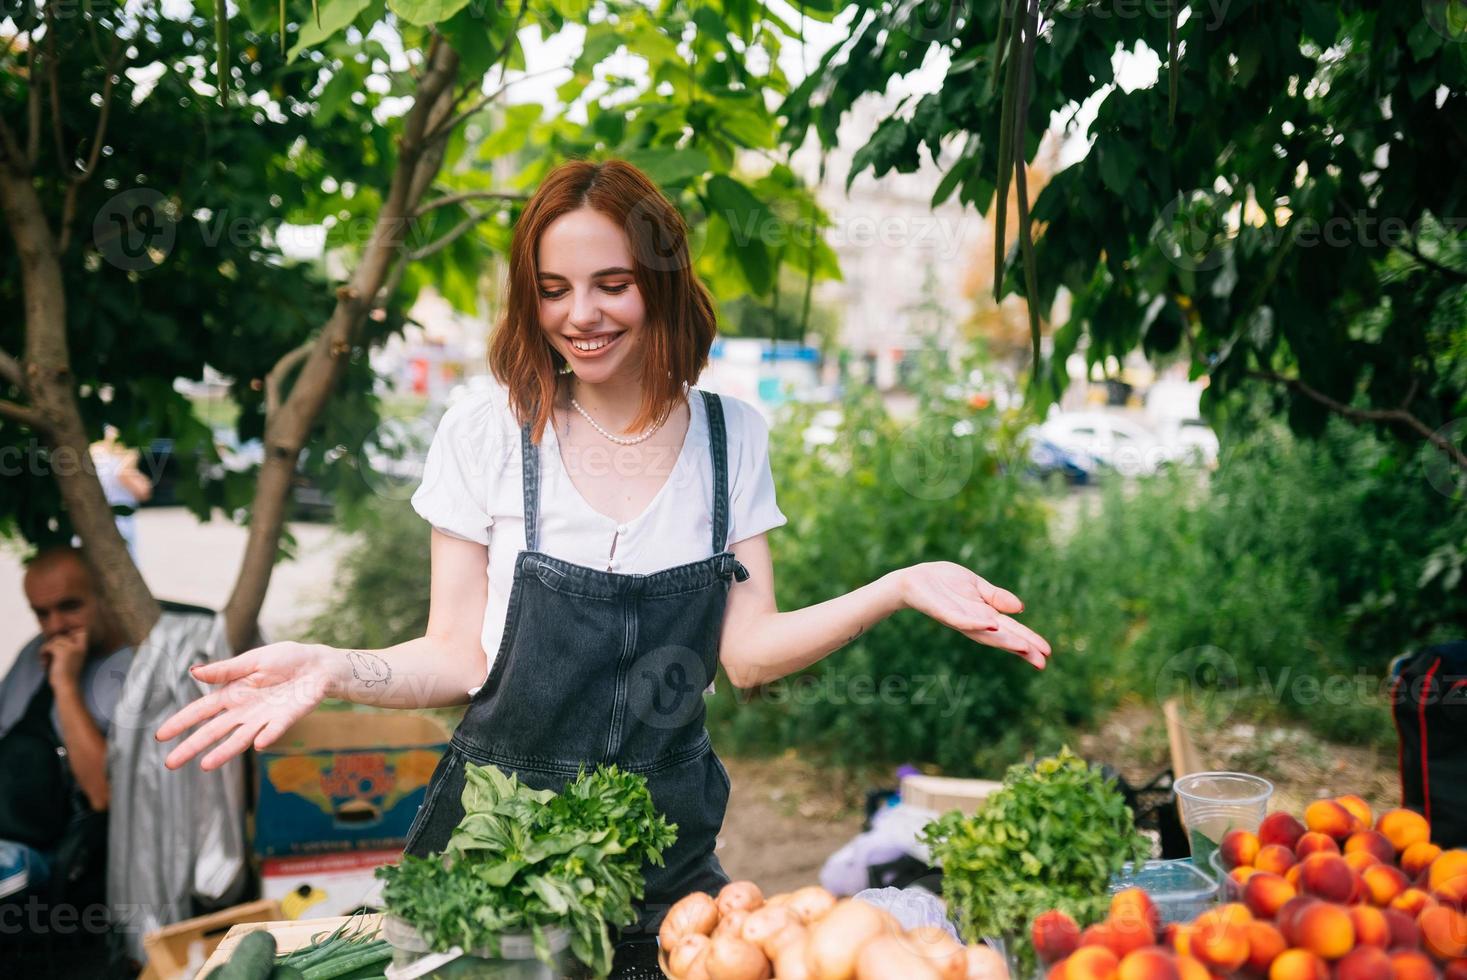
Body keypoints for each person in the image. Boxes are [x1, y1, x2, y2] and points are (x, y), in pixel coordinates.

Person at [155, 159, 1052, 976]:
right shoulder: (488, 431)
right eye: (552, 290)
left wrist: (895, 587)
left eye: (611, 284)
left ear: (659, 284)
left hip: (670, 873)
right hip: (493, 873)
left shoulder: (729, 436)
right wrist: (334, 666)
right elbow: (456, 656)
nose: (579, 315)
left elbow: (749, 653)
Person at [0, 547, 135, 900]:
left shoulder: (132, 670)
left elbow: (103, 795)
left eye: (70, 606)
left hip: (52, 844)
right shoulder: (35, 652)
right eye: (42, 614)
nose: (55, 626)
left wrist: (64, 685)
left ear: (107, 594)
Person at [89, 426, 154, 563]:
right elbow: (138, 487)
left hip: (92, 521)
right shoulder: (127, 453)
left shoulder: (93, 451)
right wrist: (145, 483)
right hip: (120, 523)